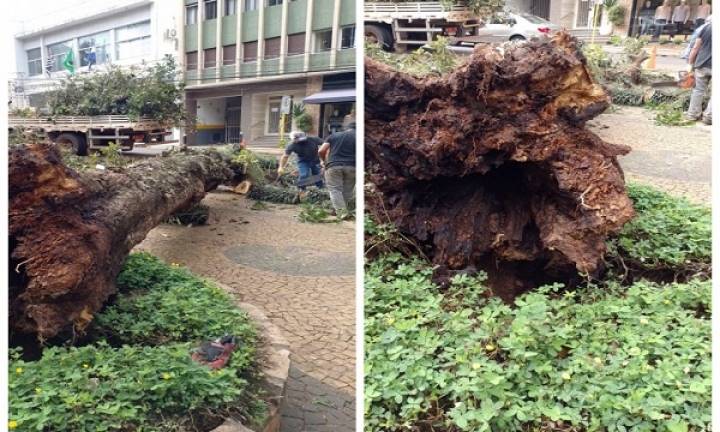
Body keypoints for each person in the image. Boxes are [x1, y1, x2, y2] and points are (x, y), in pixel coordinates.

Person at [319, 118, 356, 218]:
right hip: (352, 167)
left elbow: (321, 151)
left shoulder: (334, 135)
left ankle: (341, 212)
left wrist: (324, 161)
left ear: (346, 128)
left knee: (335, 190)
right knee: (347, 191)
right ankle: (345, 211)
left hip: (333, 165)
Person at [685, 21, 712, 124]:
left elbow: (696, 47)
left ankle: (692, 115)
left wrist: (690, 63)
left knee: (698, 90)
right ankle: (708, 117)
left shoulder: (707, 27)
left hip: (702, 64)